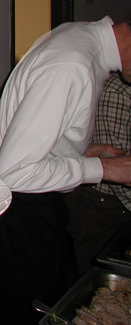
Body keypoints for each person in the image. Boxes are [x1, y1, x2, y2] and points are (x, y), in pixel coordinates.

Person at [0, 16, 131, 325]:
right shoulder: (72, 64)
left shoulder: (80, 35)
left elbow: (33, 135)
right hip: (19, 213)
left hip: (15, 206)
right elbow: (16, 172)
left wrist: (80, 151)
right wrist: (106, 169)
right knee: (39, 314)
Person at [66, 71, 131, 274]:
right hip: (102, 202)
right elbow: (116, 166)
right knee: (96, 276)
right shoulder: (118, 90)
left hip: (113, 199)